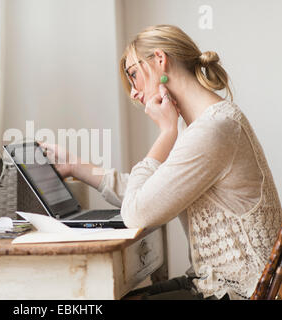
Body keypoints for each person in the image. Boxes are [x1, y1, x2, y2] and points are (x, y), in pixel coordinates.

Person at [42, 25, 282, 300]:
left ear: (160, 59)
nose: (133, 92)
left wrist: (167, 133)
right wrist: (76, 167)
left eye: (133, 75)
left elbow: (137, 212)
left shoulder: (213, 130)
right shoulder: (207, 125)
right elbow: (150, 194)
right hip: (215, 285)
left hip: (239, 292)